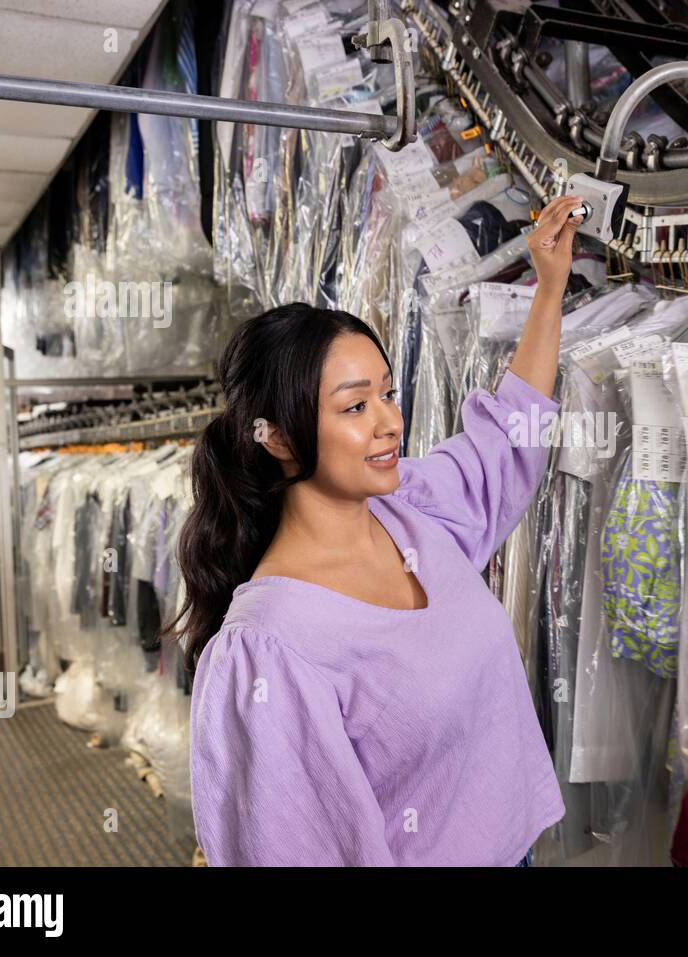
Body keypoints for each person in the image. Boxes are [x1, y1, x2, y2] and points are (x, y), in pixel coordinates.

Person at [173, 194, 586, 865]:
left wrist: (549, 290)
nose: (390, 421)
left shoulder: (411, 509)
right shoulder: (271, 647)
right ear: (276, 436)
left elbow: (509, 440)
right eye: (355, 406)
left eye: (388, 393)